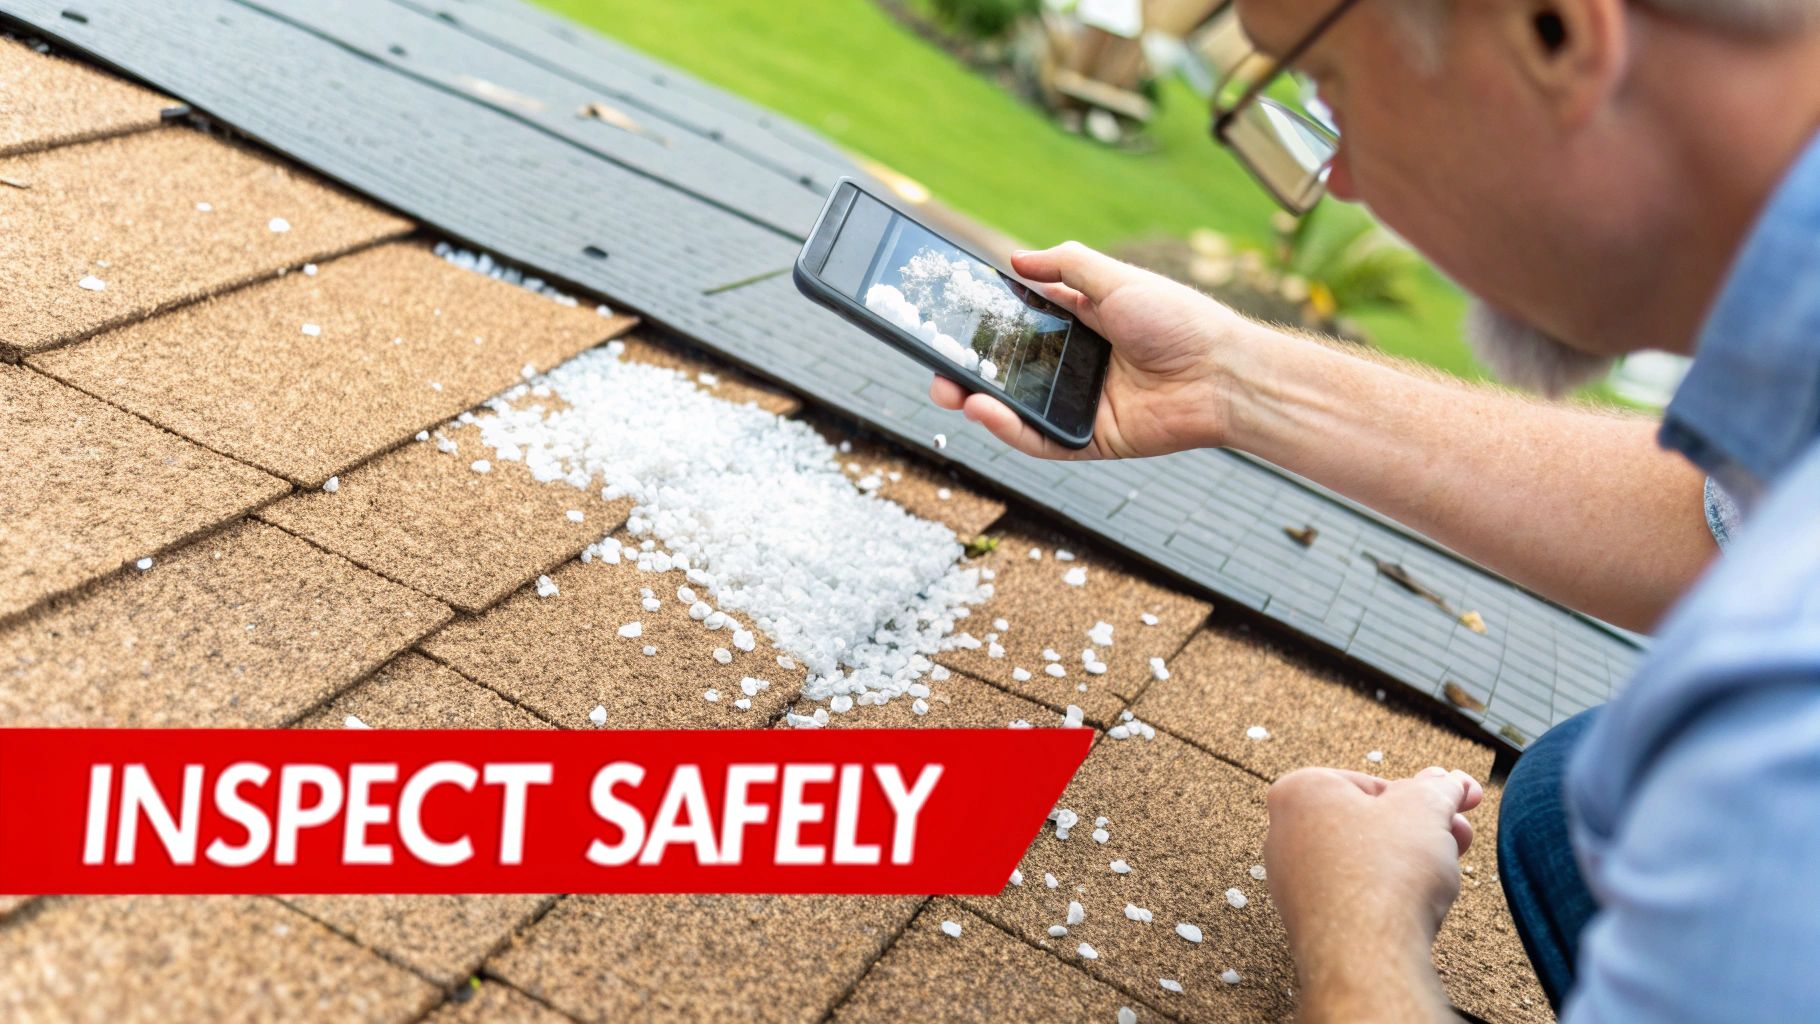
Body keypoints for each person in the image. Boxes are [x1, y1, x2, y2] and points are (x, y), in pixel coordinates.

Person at [926, 0, 1820, 1018]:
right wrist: (1231, 379)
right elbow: (1717, 517)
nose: (1338, 178)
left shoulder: (1777, 712)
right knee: (1573, 797)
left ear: (1556, 34)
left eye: (1326, 87)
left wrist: (1358, 923)